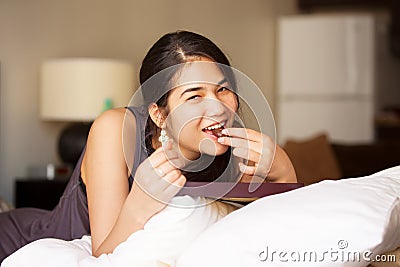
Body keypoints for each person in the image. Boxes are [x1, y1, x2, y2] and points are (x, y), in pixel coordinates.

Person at [0, 30, 296, 262]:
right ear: (159, 113)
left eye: (223, 89)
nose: (217, 107)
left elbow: (287, 232)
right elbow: (104, 255)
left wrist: (284, 170)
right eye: (194, 96)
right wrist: (140, 201)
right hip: (20, 243)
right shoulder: (115, 130)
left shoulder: (230, 147)